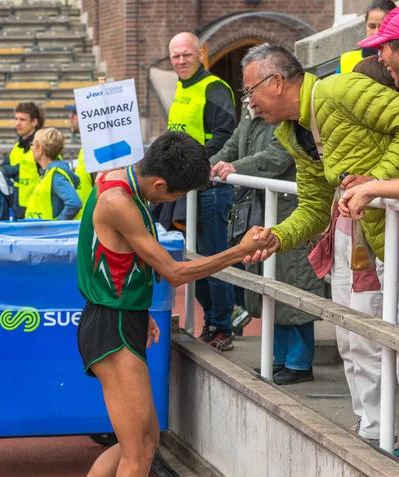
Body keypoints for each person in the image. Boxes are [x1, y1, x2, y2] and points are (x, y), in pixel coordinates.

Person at [40, 131, 270, 477]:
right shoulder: (118, 199)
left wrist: (141, 309)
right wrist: (240, 251)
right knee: (139, 449)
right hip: (108, 326)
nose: (179, 201)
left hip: (121, 317)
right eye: (180, 193)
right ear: (161, 184)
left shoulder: (127, 180)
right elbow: (174, 271)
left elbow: (124, 256)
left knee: (140, 443)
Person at [240, 44, 399, 444]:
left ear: (276, 82)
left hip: (385, 233)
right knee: (352, 336)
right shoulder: (291, 130)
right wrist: (277, 236)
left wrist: (374, 182)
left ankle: (385, 433)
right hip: (355, 236)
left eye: (250, 92)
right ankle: (374, 430)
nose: (249, 104)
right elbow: (313, 205)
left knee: (374, 336)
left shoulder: (339, 91)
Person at [210, 99, 323, 384]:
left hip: (288, 210)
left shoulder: (286, 115)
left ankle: (298, 363)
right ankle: (279, 358)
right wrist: (211, 167)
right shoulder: (250, 114)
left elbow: (276, 158)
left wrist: (232, 167)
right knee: (268, 285)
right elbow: (232, 147)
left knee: (291, 283)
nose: (249, 97)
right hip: (263, 209)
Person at [164, 31, 237, 351]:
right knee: (195, 260)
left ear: (200, 55)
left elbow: (225, 135)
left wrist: (193, 163)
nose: (181, 61)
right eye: (175, 56)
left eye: (186, 55)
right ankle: (211, 319)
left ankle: (223, 324)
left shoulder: (214, 88)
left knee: (214, 258)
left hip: (210, 190)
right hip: (188, 189)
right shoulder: (182, 89)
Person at [25, 127, 82, 220]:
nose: (31, 149)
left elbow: (74, 203)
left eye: (33, 144)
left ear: (40, 149)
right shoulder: (48, 173)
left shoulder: (56, 175)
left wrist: (57, 226)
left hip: (49, 232)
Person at [1, 102, 45, 219]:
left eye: (22, 119)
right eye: (16, 119)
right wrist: (19, 169)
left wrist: (15, 170)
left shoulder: (43, 146)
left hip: (38, 209)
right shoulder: (18, 147)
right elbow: (3, 169)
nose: (17, 123)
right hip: (18, 208)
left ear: (34, 122)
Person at [337, 0, 396, 73]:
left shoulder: (396, 60)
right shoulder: (346, 59)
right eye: (372, 26)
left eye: (382, 27)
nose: (376, 33)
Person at [65, 103, 94, 217]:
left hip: (92, 224)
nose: (70, 117)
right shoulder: (86, 148)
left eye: (75, 113)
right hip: (83, 222)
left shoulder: (95, 149)